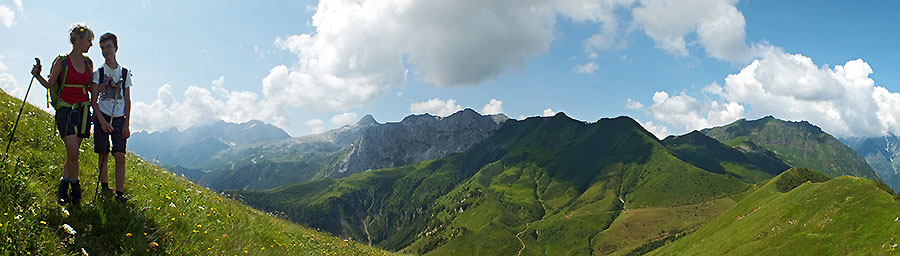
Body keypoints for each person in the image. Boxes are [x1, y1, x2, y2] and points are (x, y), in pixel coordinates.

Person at [31, 23, 95, 205]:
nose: (90, 45)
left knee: (72, 153)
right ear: (79, 40)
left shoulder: (88, 63)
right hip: (65, 109)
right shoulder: (62, 61)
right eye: (88, 41)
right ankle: (75, 189)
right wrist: (37, 75)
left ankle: (63, 186)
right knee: (73, 152)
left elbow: (90, 88)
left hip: (83, 110)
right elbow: (50, 84)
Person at [91, 32, 133, 203]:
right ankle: (105, 188)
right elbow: (93, 100)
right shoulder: (98, 73)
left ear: (116, 48)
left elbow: (128, 100)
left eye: (108, 47)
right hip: (102, 115)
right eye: (102, 48)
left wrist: (126, 124)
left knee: (120, 156)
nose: (106, 51)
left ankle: (119, 194)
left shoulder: (124, 73)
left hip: (119, 118)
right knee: (103, 154)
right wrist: (101, 121)